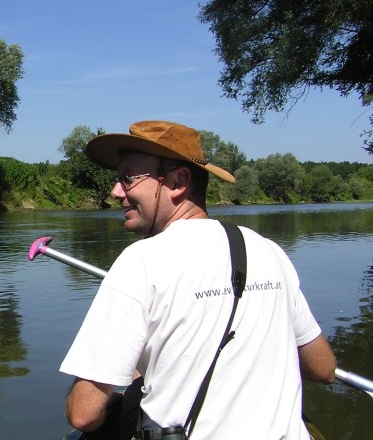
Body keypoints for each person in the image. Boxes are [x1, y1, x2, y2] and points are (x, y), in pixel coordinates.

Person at [59, 120, 337, 439]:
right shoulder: (269, 250)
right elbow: (324, 369)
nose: (115, 191)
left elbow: (84, 414)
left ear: (179, 181)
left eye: (128, 178)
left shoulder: (141, 261)